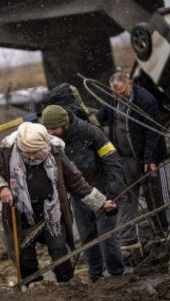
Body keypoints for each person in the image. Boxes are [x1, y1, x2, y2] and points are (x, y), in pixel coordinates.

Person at [0, 122, 117, 284]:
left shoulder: (55, 153)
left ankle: (67, 285)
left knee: (59, 250)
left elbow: (76, 182)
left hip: (52, 213)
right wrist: (1, 187)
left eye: (35, 152)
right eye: (27, 152)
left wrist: (102, 203)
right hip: (20, 213)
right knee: (24, 256)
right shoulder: (5, 154)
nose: (31, 157)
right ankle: (33, 289)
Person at [41, 105, 125, 281]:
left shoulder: (90, 133)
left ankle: (117, 276)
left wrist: (111, 194)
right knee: (87, 238)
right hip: (80, 197)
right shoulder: (51, 141)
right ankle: (96, 276)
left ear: (65, 124)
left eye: (54, 128)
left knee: (107, 237)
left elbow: (113, 162)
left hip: (103, 192)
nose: (51, 133)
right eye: (48, 129)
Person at [96, 72, 170, 248]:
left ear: (129, 84)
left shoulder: (146, 100)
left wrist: (150, 159)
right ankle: (128, 239)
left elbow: (153, 132)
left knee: (155, 196)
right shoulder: (112, 97)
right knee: (127, 197)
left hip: (146, 156)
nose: (118, 96)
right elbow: (102, 114)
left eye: (122, 92)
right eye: (115, 93)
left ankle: (165, 231)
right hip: (124, 158)